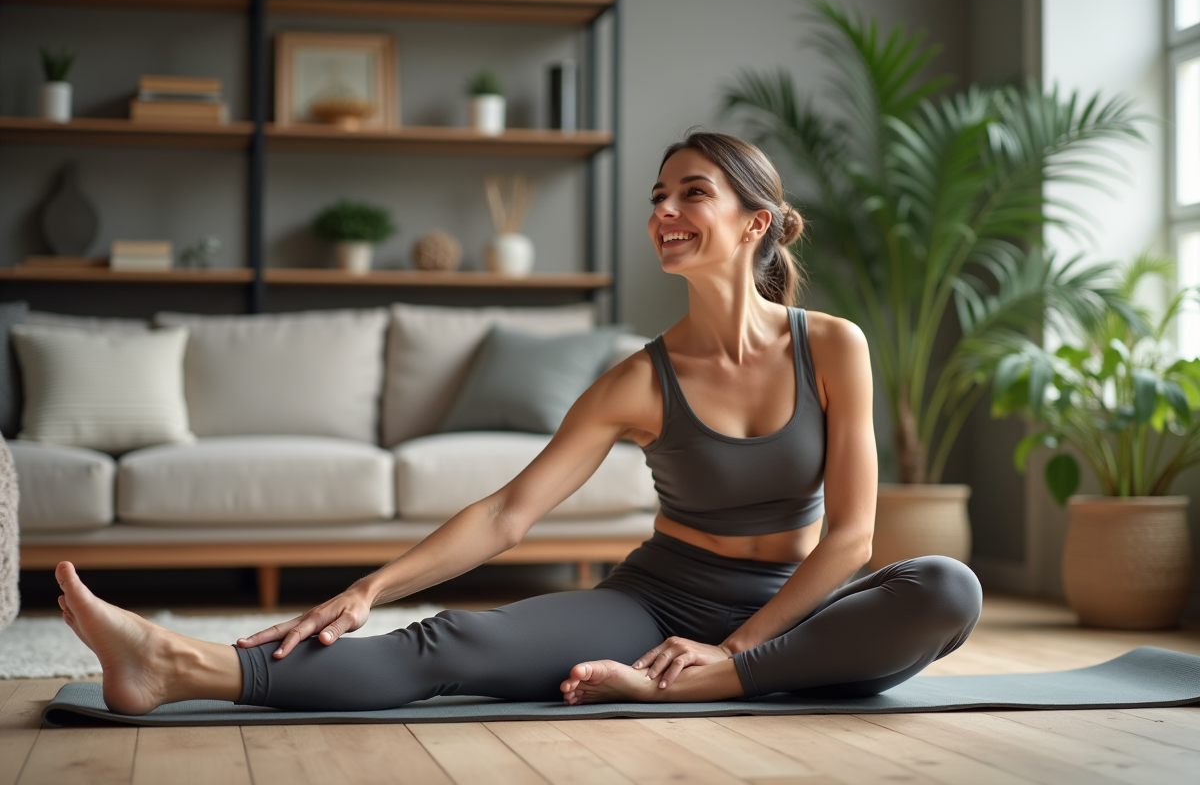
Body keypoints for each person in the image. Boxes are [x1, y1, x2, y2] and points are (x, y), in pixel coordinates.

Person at [55, 130, 982, 715]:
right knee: (450, 643)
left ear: (758, 223)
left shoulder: (836, 347)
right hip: (658, 602)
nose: (663, 210)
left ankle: (698, 686)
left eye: (692, 192)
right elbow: (508, 516)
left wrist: (732, 652)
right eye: (657, 196)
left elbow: (852, 538)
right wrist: (372, 588)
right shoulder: (636, 380)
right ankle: (177, 663)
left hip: (799, 610)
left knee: (948, 589)